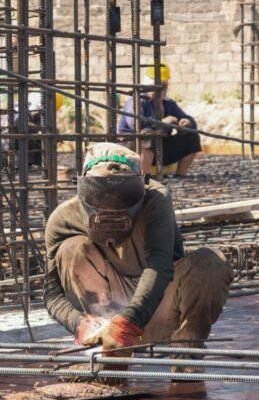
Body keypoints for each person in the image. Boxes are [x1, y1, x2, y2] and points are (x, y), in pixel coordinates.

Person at [43, 143, 233, 361]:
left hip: (160, 307)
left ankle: (185, 351)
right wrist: (78, 323)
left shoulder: (155, 200)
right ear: (82, 187)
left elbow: (159, 266)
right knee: (71, 248)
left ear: (142, 186)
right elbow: (52, 295)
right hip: (106, 321)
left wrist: (129, 321)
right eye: (101, 195)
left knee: (210, 263)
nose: (110, 207)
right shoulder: (63, 219)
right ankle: (107, 350)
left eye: (120, 198)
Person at [117, 63, 201, 177]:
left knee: (192, 136)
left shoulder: (168, 103)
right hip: (132, 147)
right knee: (148, 134)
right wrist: (164, 122)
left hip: (158, 148)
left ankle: (181, 175)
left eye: (164, 86)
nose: (162, 90)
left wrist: (187, 123)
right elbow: (135, 125)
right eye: (159, 86)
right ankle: (144, 177)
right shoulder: (137, 101)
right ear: (150, 86)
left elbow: (189, 121)